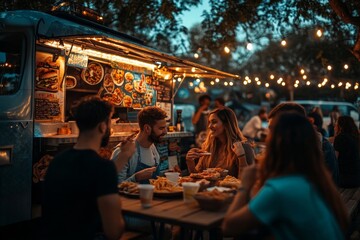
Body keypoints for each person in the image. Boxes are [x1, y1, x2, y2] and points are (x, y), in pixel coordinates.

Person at [222, 112, 348, 239]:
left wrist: (245, 185)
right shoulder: (314, 181)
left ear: (275, 143)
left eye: (270, 132)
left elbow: (229, 227)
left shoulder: (281, 189)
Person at [42, 96, 126, 240]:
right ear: (103, 126)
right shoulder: (103, 168)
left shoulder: (57, 161)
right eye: (109, 122)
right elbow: (114, 232)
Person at [268, 102, 339, 185]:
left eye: (274, 128)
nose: (270, 134)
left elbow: (329, 186)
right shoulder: (288, 148)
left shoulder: (322, 148)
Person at [186, 107, 255, 178]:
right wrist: (190, 161)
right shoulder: (209, 146)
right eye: (209, 122)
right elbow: (197, 177)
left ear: (226, 124)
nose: (209, 126)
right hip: (208, 189)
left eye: (214, 122)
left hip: (231, 189)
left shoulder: (243, 147)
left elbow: (248, 181)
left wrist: (241, 157)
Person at [111, 106, 168, 183]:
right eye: (161, 128)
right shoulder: (123, 152)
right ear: (147, 128)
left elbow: (153, 178)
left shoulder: (153, 147)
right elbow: (113, 186)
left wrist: (165, 175)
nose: (165, 132)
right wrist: (136, 178)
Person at [334, 116, 360, 188]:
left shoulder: (340, 138)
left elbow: (334, 160)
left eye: (336, 124)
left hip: (344, 180)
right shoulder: (356, 137)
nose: (334, 126)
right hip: (357, 178)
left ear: (341, 126)